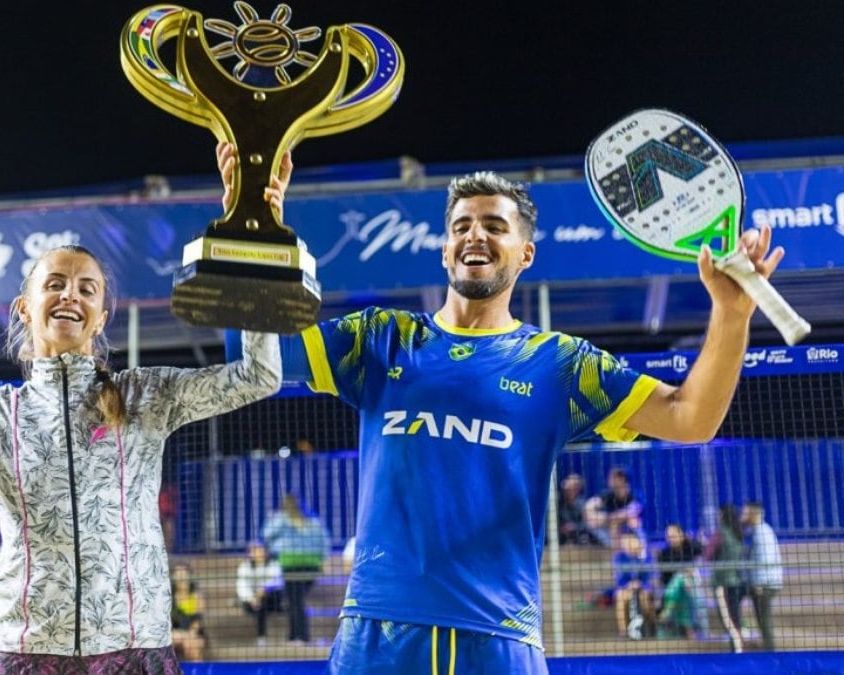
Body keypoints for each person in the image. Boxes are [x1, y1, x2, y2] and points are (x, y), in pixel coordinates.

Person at [219, 143, 786, 673]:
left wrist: (731, 316)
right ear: (444, 249)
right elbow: (254, 355)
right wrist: (249, 222)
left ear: (525, 252)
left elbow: (691, 418)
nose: (475, 236)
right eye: (461, 226)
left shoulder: (560, 363)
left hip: (498, 641)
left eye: (495, 226)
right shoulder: (382, 337)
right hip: (376, 633)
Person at [0, 243, 281, 673]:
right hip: (27, 654)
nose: (70, 295)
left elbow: (258, 376)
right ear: (24, 307)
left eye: (87, 289)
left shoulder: (146, 395)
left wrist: (254, 249)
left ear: (100, 319)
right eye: (55, 283)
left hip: (136, 650)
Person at [261, 493, 330, 644]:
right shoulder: (312, 521)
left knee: (295, 601)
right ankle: (294, 636)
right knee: (295, 600)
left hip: (291, 565)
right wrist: (322, 561)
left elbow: (266, 534)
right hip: (311, 567)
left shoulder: (281, 519)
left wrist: (274, 518)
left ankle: (300, 637)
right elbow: (324, 541)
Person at [705, 504, 747, 653]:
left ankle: (737, 653)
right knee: (735, 618)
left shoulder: (720, 534)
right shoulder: (738, 533)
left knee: (729, 621)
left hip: (723, 583)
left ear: (722, 516)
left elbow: (707, 556)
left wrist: (705, 542)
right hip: (735, 581)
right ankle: (737, 650)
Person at [742, 501, 783, 650]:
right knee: (762, 619)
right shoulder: (756, 531)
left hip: (765, 583)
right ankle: (768, 648)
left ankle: (770, 650)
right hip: (764, 582)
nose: (743, 516)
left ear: (753, 514)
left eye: (745, 513)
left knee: (764, 620)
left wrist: (759, 584)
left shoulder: (761, 533)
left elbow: (764, 560)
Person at [236, 540, 284, 645]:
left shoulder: (274, 564)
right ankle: (261, 638)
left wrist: (264, 589)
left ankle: (261, 638)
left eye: (261, 551)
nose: (259, 553)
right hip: (251, 602)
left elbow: (278, 581)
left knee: (263, 600)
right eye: (255, 551)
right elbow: (241, 586)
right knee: (259, 604)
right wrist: (251, 598)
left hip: (272, 599)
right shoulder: (244, 567)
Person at [584, 467, 644, 548]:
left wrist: (607, 518)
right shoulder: (608, 494)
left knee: (632, 520)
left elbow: (630, 512)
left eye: (612, 477)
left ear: (622, 479)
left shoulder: (635, 495)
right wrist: (594, 515)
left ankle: (641, 547)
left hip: (628, 531)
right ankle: (612, 547)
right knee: (593, 522)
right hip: (610, 530)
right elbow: (589, 506)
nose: (609, 480)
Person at [611, 530, 655, 640]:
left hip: (644, 588)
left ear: (637, 541)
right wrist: (629, 585)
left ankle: (652, 629)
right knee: (620, 596)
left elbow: (651, 576)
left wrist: (642, 556)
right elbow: (619, 577)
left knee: (644, 598)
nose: (627, 544)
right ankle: (623, 633)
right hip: (626, 588)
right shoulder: (619, 557)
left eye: (630, 541)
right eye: (624, 542)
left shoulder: (646, 556)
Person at [169, 563, 207, 661]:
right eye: (178, 573)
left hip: (193, 633)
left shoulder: (197, 596)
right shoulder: (168, 597)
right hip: (174, 633)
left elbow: (198, 621)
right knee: (169, 643)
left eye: (183, 572)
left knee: (190, 644)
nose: (181, 576)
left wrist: (189, 634)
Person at [557, 473, 592, 545]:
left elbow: (586, 525)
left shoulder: (581, 504)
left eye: (573, 488)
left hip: (577, 537)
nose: (569, 491)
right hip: (558, 538)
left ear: (577, 490)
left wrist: (574, 527)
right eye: (567, 489)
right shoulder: (556, 502)